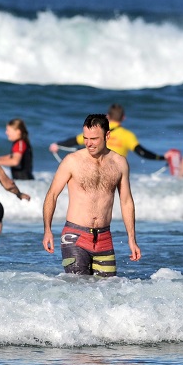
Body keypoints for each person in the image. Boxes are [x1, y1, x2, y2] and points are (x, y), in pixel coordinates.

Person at [42, 114, 140, 277]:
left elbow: (126, 201)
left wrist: (132, 238)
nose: (88, 143)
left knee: (108, 291)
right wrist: (47, 230)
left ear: (107, 135)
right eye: (85, 138)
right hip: (75, 236)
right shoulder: (72, 161)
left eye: (94, 138)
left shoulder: (119, 163)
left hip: (104, 238)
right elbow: (52, 195)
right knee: (79, 289)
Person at [48, 104, 175, 165]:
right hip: (114, 170)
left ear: (107, 116)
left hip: (93, 166)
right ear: (123, 118)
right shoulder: (127, 135)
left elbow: (75, 141)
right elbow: (142, 152)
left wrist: (57, 145)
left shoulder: (97, 130)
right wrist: (163, 157)